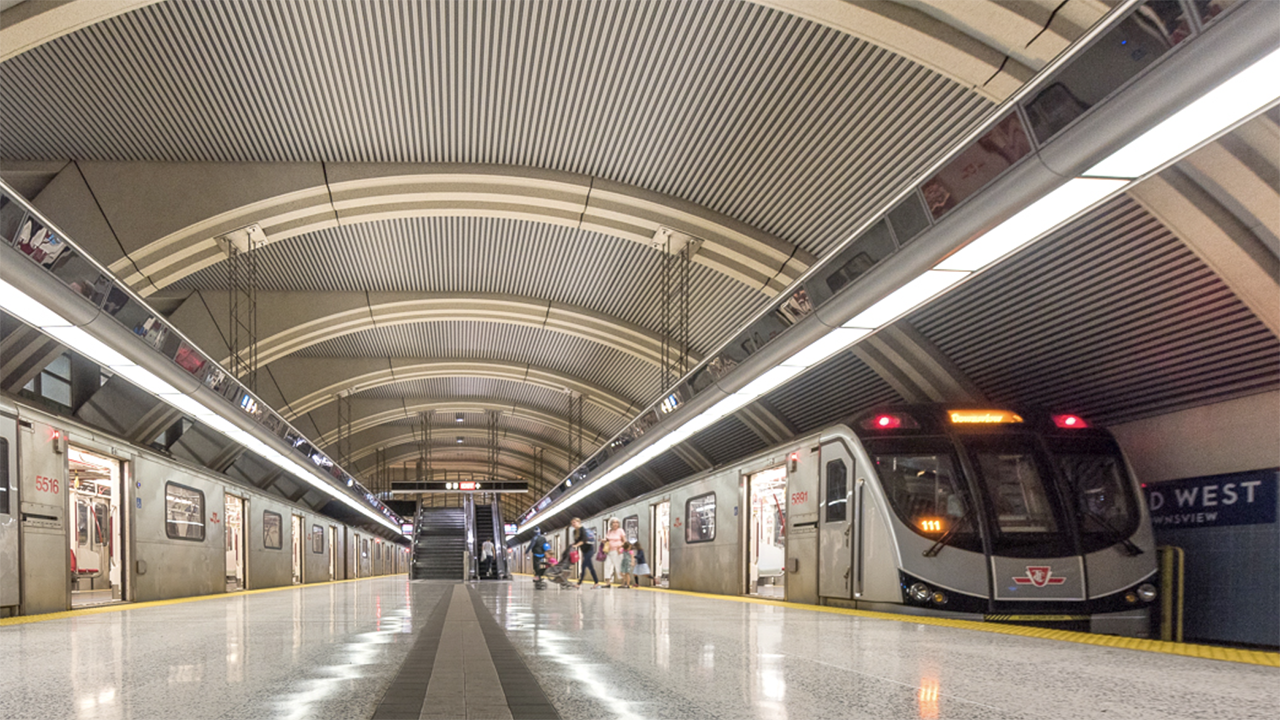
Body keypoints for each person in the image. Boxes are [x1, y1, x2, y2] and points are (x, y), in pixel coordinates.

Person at [570, 517, 600, 588]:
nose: (573, 524)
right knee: (590, 567)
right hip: (584, 551)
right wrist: (573, 545)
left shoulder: (582, 529)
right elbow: (577, 541)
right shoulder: (575, 532)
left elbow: (584, 540)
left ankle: (579, 583)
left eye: (574, 522)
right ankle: (596, 583)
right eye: (572, 523)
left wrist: (576, 545)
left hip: (590, 550)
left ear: (579, 522)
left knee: (583, 566)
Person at [602, 518, 627, 588]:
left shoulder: (620, 530)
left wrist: (620, 545)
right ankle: (608, 583)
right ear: (611, 524)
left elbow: (625, 541)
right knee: (607, 566)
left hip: (617, 552)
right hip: (609, 551)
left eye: (617, 522)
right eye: (614, 522)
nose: (615, 524)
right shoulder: (609, 531)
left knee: (619, 566)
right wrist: (603, 540)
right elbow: (607, 539)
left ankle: (623, 583)